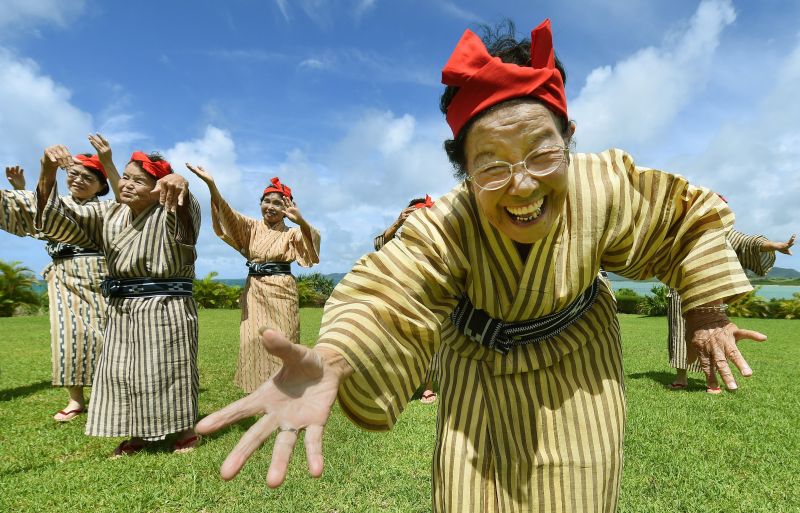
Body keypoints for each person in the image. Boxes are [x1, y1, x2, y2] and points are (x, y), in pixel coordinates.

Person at [196, 20, 767, 512]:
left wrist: (705, 310)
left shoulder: (603, 185)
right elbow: (387, 293)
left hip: (578, 372)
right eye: (491, 166)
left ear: (569, 137)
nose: (522, 185)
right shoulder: (446, 222)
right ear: (463, 170)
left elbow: (686, 220)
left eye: (544, 154)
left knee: (579, 495)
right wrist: (336, 358)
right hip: (475, 374)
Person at [35, 144, 203, 457]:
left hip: (167, 305)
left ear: (157, 189)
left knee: (171, 368)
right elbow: (57, 218)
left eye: (136, 181)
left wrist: (181, 180)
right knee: (124, 372)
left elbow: (186, 211)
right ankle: (137, 434)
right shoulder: (109, 214)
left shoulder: (171, 208)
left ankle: (185, 428)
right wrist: (46, 170)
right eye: (124, 178)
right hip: (123, 308)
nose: (125, 184)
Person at [0, 135, 118, 422]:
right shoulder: (61, 202)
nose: (77, 180)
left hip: (98, 276)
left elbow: (126, 202)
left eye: (87, 177)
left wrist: (107, 161)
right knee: (68, 338)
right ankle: (76, 400)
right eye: (73, 174)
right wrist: (24, 188)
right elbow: (42, 217)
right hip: (63, 276)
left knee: (108, 337)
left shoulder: (106, 208)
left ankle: (111, 394)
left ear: (101, 185)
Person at [186, 167, 320, 393]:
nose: (270, 207)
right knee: (254, 341)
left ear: (287, 208)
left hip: (281, 290)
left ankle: (286, 388)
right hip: (254, 291)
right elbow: (228, 214)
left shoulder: (291, 233)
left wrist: (302, 222)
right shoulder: (251, 227)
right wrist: (212, 185)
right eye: (266, 201)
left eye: (278, 203)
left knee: (284, 339)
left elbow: (312, 243)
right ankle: (258, 391)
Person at [668, 229, 795, 392]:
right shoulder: (678, 220)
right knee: (678, 335)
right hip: (678, 289)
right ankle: (681, 377)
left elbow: (740, 241)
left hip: (707, 291)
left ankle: (711, 379)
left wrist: (772, 245)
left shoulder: (712, 223)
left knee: (710, 336)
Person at [374, 195, 438, 404]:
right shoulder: (400, 239)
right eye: (412, 215)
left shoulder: (435, 239)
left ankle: (428, 387)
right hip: (400, 297)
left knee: (429, 342)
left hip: (428, 298)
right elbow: (379, 245)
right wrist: (398, 221)